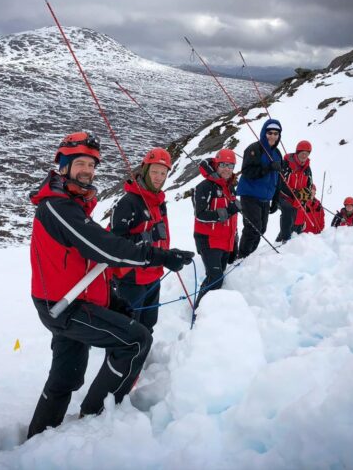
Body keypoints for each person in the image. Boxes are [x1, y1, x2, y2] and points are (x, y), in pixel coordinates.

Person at [27, 132, 194, 438]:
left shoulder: (72, 204)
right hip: (64, 305)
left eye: (91, 165)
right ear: (62, 166)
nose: (87, 170)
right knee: (134, 341)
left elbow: (86, 261)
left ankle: (37, 441)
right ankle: (95, 424)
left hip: (74, 298)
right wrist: (159, 256)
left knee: (66, 377)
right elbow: (105, 249)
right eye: (79, 163)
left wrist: (111, 297)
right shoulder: (57, 208)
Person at [109, 148, 172, 334]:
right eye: (154, 171)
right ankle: (121, 363)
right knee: (128, 330)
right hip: (131, 278)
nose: (159, 177)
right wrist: (148, 236)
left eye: (163, 173)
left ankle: (141, 361)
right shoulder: (128, 203)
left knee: (148, 326)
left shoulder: (159, 201)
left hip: (153, 275)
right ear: (144, 170)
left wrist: (168, 255)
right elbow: (115, 243)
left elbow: (162, 238)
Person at [192, 149, 240, 309]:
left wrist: (235, 239)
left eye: (231, 165)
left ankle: (209, 309)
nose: (227, 169)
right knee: (215, 277)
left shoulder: (229, 187)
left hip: (225, 241)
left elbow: (233, 218)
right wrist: (226, 212)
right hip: (208, 240)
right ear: (216, 165)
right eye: (223, 165)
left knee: (216, 277)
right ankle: (199, 311)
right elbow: (200, 214)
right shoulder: (204, 187)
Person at [235, 119, 283, 258]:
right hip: (250, 195)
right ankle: (242, 256)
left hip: (265, 197)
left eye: (276, 133)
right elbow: (247, 172)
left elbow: (277, 178)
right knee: (253, 227)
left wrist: (275, 199)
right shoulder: (254, 149)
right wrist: (268, 168)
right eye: (270, 133)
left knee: (261, 229)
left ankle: (249, 256)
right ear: (264, 133)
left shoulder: (277, 154)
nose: (273, 136)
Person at [276, 140, 313, 243]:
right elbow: (281, 181)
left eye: (307, 153)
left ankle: (280, 240)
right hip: (282, 195)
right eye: (302, 153)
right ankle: (285, 239)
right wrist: (293, 192)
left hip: (296, 198)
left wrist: (307, 193)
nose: (304, 155)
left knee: (294, 220)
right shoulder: (286, 164)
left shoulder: (307, 169)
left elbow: (309, 184)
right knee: (288, 210)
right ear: (297, 152)